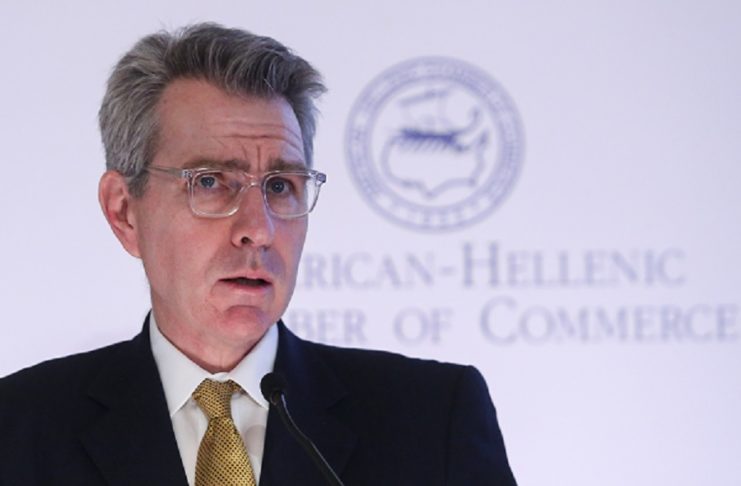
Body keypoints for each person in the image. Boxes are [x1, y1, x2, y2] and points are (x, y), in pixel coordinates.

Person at [0, 23, 517, 485]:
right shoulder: (17, 431)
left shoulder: (434, 421)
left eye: (280, 186)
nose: (258, 230)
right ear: (124, 211)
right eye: (210, 182)